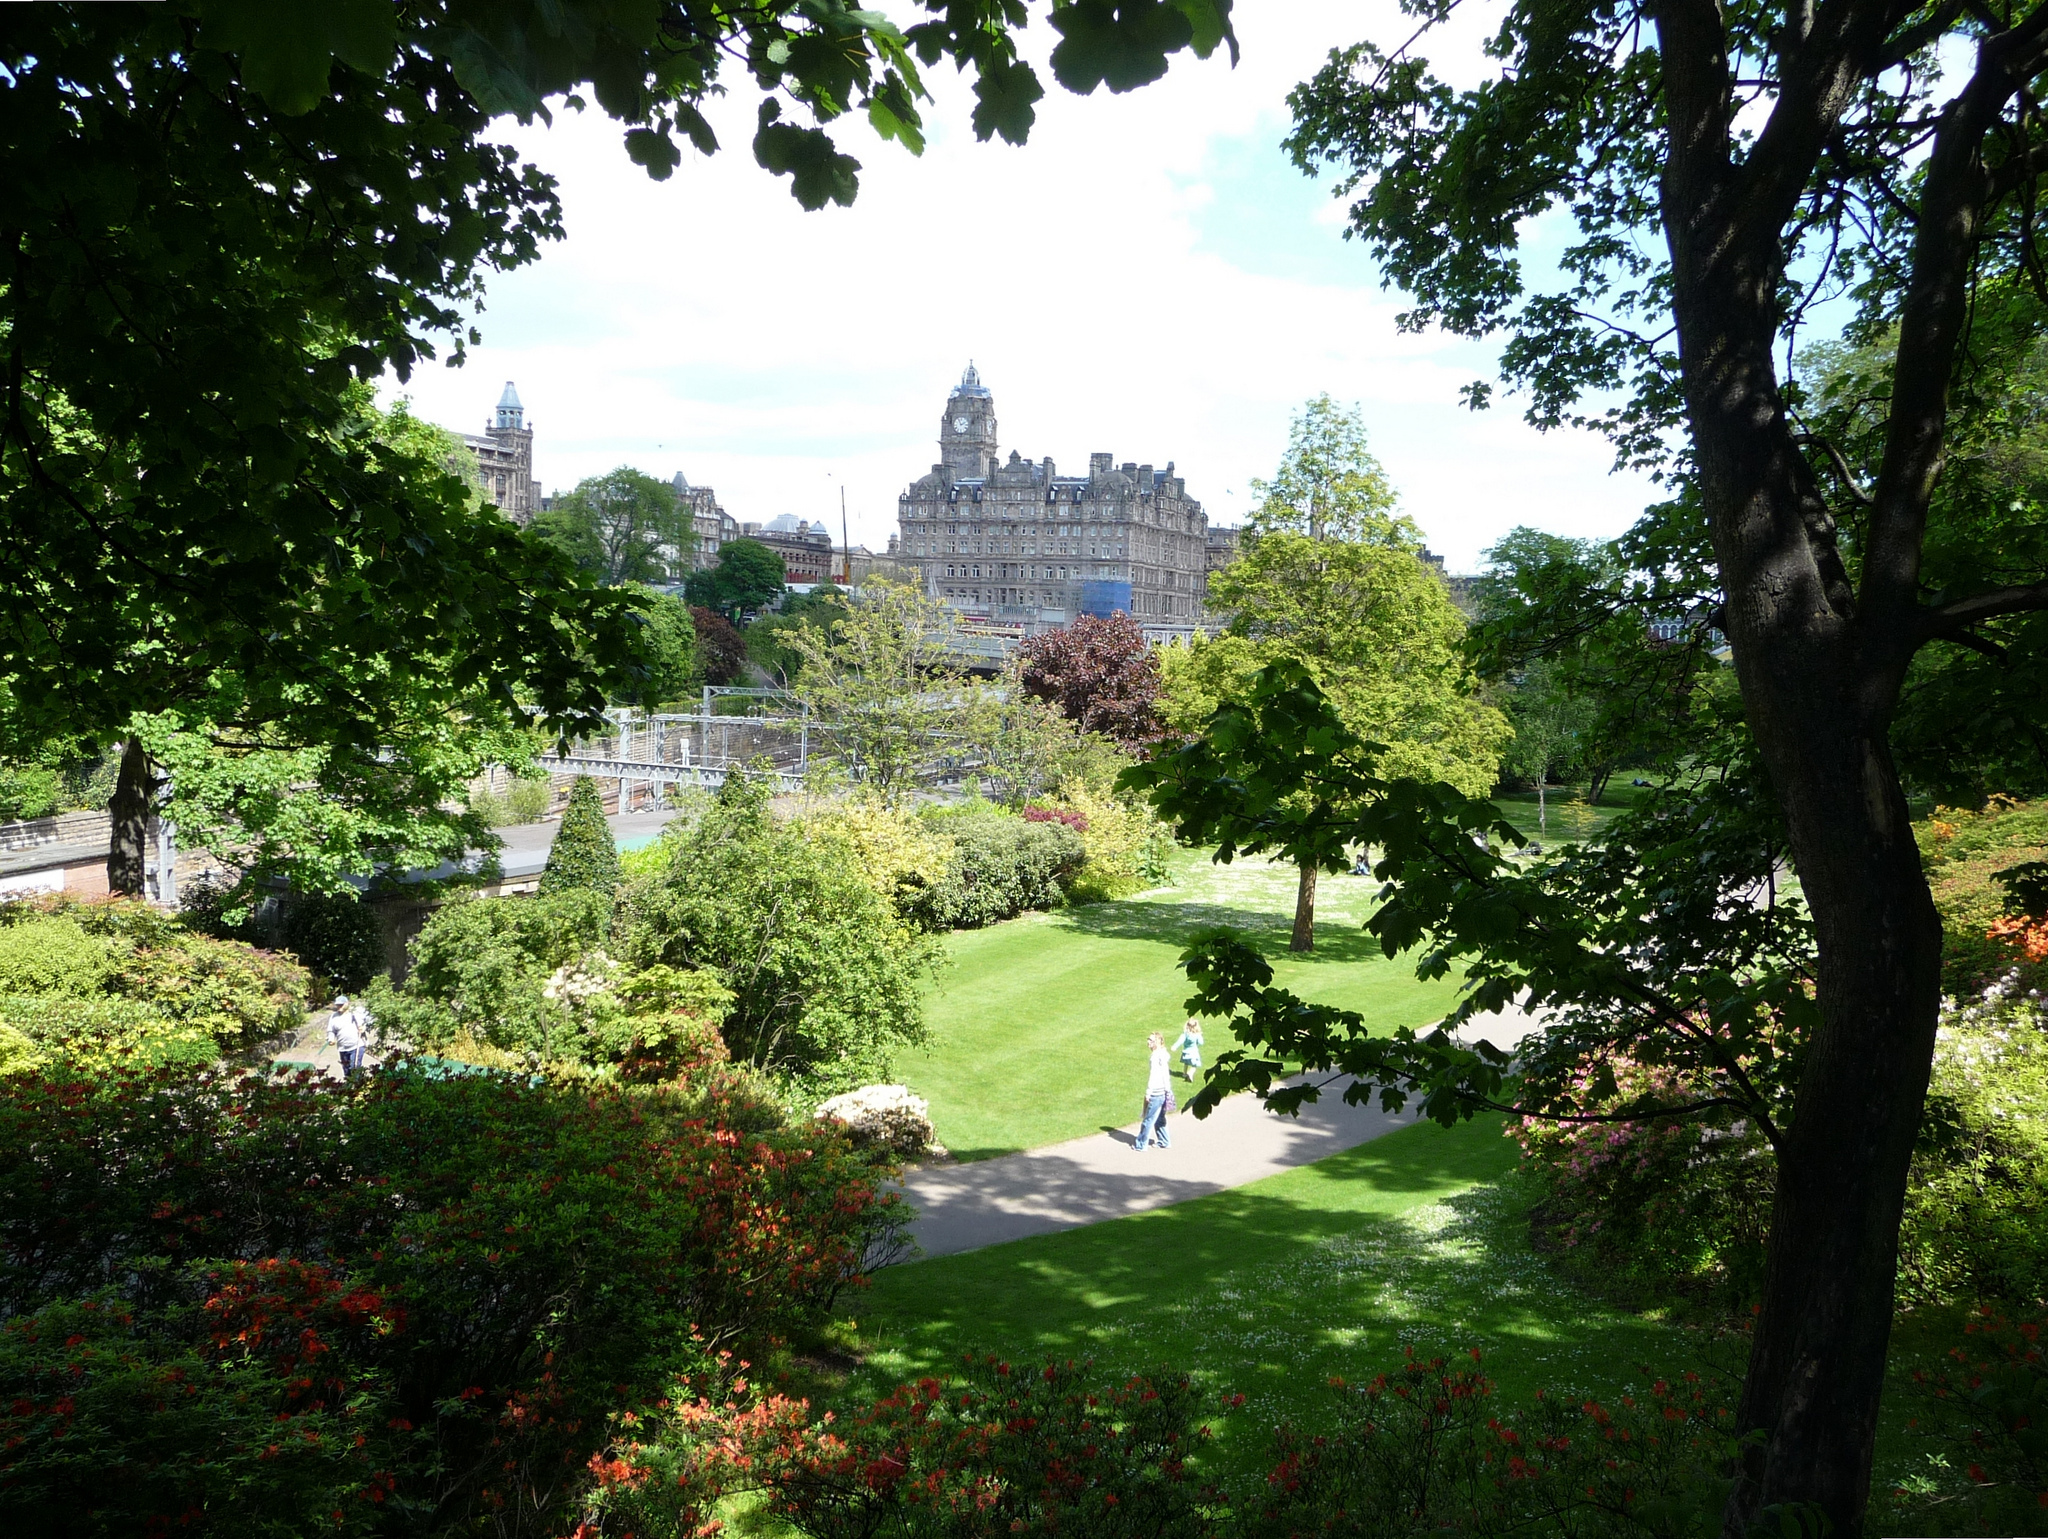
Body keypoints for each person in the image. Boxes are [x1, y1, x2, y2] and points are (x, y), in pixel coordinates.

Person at [1134, 1031, 1172, 1152]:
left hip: (1156, 1092)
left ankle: (1141, 1144)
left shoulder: (1155, 1057)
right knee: (1160, 1119)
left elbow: (1154, 1075)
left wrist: (1148, 1092)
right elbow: (1165, 1074)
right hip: (1163, 1092)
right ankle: (1164, 1141)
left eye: (1150, 1040)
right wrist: (1168, 1090)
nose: (1148, 1042)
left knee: (1148, 1120)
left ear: (1156, 1042)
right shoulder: (1163, 1055)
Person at [327, 993, 367, 1081]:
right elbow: (331, 1030)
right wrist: (331, 1039)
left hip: (356, 1046)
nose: (339, 1007)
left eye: (341, 1004)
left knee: (354, 1068)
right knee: (346, 1071)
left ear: (347, 1004)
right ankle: (349, 1090)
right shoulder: (333, 1016)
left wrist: (363, 1028)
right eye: (338, 1005)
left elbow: (364, 1024)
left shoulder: (354, 1014)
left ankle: (357, 1088)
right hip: (342, 1048)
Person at [1173, 1017, 1205, 1082]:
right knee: (1194, 1065)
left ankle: (1184, 1073)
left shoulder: (1185, 1034)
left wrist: (1175, 1046)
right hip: (1193, 1053)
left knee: (1186, 1063)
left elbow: (1180, 1041)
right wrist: (1200, 1036)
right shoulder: (1197, 1035)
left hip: (1185, 1053)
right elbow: (1201, 1043)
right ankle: (1190, 1073)